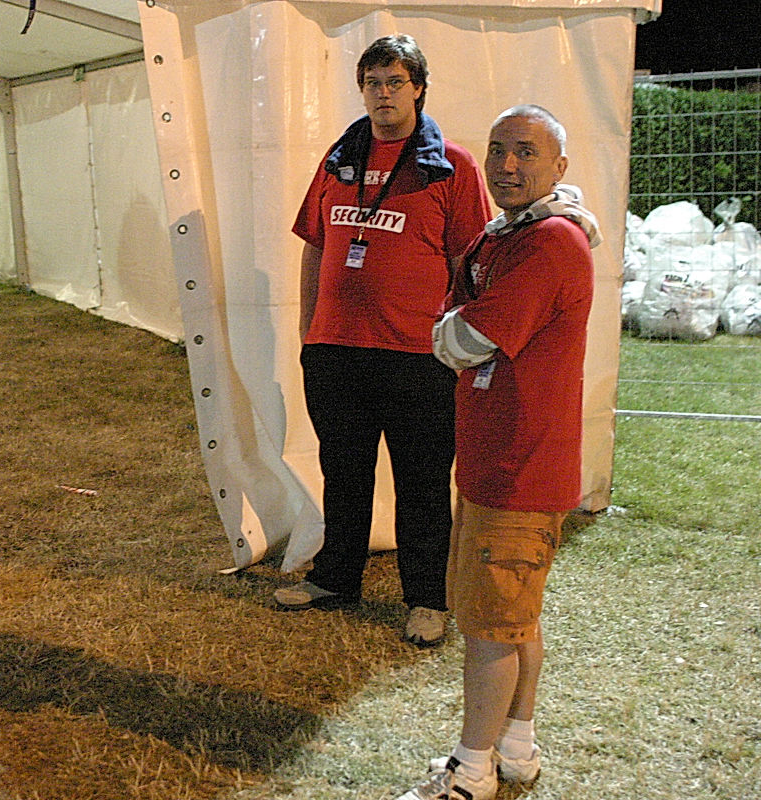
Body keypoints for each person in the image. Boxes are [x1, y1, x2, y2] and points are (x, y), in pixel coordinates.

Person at [397, 105, 601, 800]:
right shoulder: (510, 236)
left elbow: (465, 338)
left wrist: (450, 326)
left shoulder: (548, 243)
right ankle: (515, 748)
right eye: (497, 150)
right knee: (515, 619)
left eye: (526, 152)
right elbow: (462, 311)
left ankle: (472, 769)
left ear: (559, 167)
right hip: (504, 460)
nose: (507, 165)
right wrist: (457, 318)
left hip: (520, 465)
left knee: (489, 629)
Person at [276, 33, 490, 648]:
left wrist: (458, 340)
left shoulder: (451, 165)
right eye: (373, 83)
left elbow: (469, 260)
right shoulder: (338, 157)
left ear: (419, 89)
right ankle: (335, 578)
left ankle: (426, 598)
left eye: (396, 82)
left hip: (417, 357)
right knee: (343, 472)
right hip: (336, 351)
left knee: (422, 483)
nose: (383, 94)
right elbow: (316, 245)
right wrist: (310, 330)